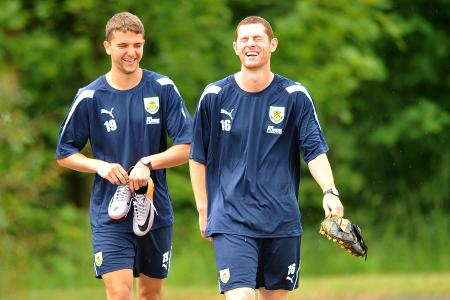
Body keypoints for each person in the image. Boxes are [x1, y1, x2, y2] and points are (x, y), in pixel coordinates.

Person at [189, 16, 344, 300]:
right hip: (231, 219)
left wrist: (329, 191)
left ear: (272, 45)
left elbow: (314, 151)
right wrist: (204, 210)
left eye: (257, 38)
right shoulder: (214, 95)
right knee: (241, 296)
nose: (251, 44)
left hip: (281, 220)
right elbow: (197, 156)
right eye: (244, 39)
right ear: (235, 47)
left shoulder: (294, 95)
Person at [56, 12, 192, 300]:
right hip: (110, 210)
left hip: (155, 207)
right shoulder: (90, 96)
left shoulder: (162, 88)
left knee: (150, 295)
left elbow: (188, 145)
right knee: (119, 294)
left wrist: (148, 162)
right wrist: (100, 166)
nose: (132, 53)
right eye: (123, 46)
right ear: (107, 46)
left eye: (137, 45)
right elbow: (65, 153)